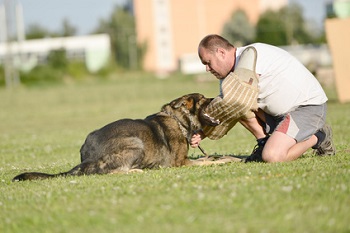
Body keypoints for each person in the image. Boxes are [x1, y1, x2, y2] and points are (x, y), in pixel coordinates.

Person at [190, 34, 335, 162]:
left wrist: (204, 128)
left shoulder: (253, 54)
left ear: (221, 52)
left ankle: (319, 136)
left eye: (207, 62)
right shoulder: (229, 76)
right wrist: (204, 132)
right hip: (279, 115)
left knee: (272, 156)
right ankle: (263, 142)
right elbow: (228, 109)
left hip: (306, 108)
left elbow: (233, 100)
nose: (207, 69)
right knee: (236, 105)